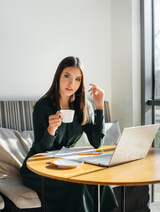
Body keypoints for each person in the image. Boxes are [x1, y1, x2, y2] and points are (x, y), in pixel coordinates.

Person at [20, 56, 118, 212]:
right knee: (76, 187)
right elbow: (40, 150)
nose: (72, 83)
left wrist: (99, 106)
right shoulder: (42, 107)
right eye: (67, 76)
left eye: (78, 79)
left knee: (99, 181)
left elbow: (97, 142)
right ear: (58, 76)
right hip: (38, 167)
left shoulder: (84, 106)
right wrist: (50, 130)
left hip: (67, 164)